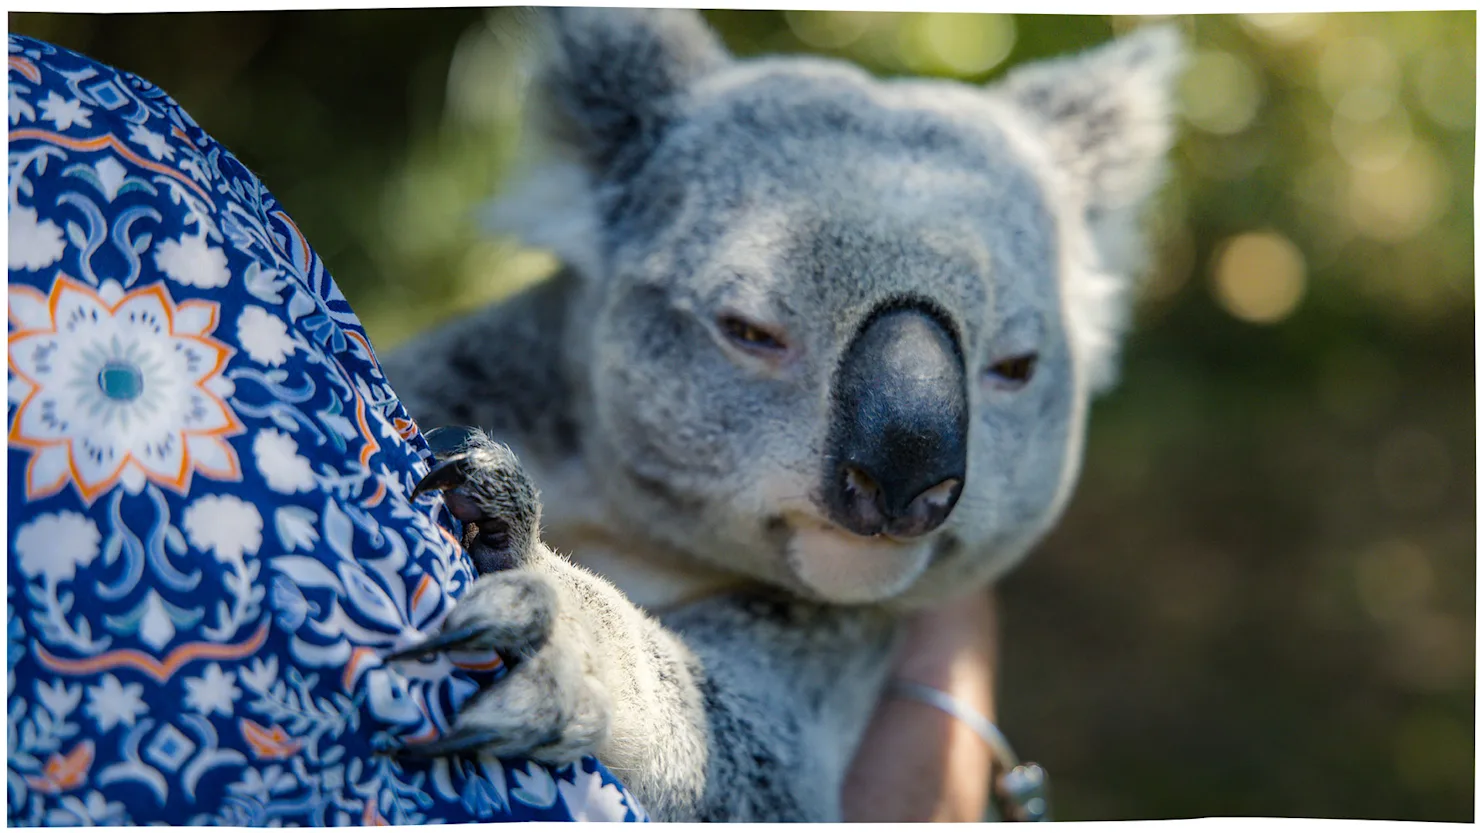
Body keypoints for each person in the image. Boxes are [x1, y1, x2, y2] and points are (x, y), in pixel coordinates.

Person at [7, 32, 1002, 825]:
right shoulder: (98, 150)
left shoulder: (111, 143)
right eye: (753, 326)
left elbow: (768, 773)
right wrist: (949, 672)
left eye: (1010, 364)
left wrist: (602, 658)